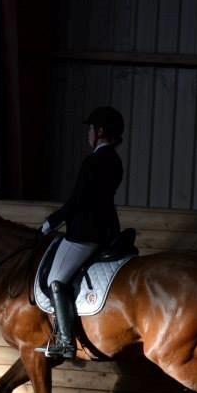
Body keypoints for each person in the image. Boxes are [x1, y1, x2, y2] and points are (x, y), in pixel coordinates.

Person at [36, 106, 125, 359]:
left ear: (99, 132)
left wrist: (50, 223)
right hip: (107, 230)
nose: (88, 134)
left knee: (56, 281)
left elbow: (77, 201)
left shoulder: (94, 161)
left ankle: (65, 341)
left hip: (86, 234)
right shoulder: (115, 160)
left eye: (90, 129)